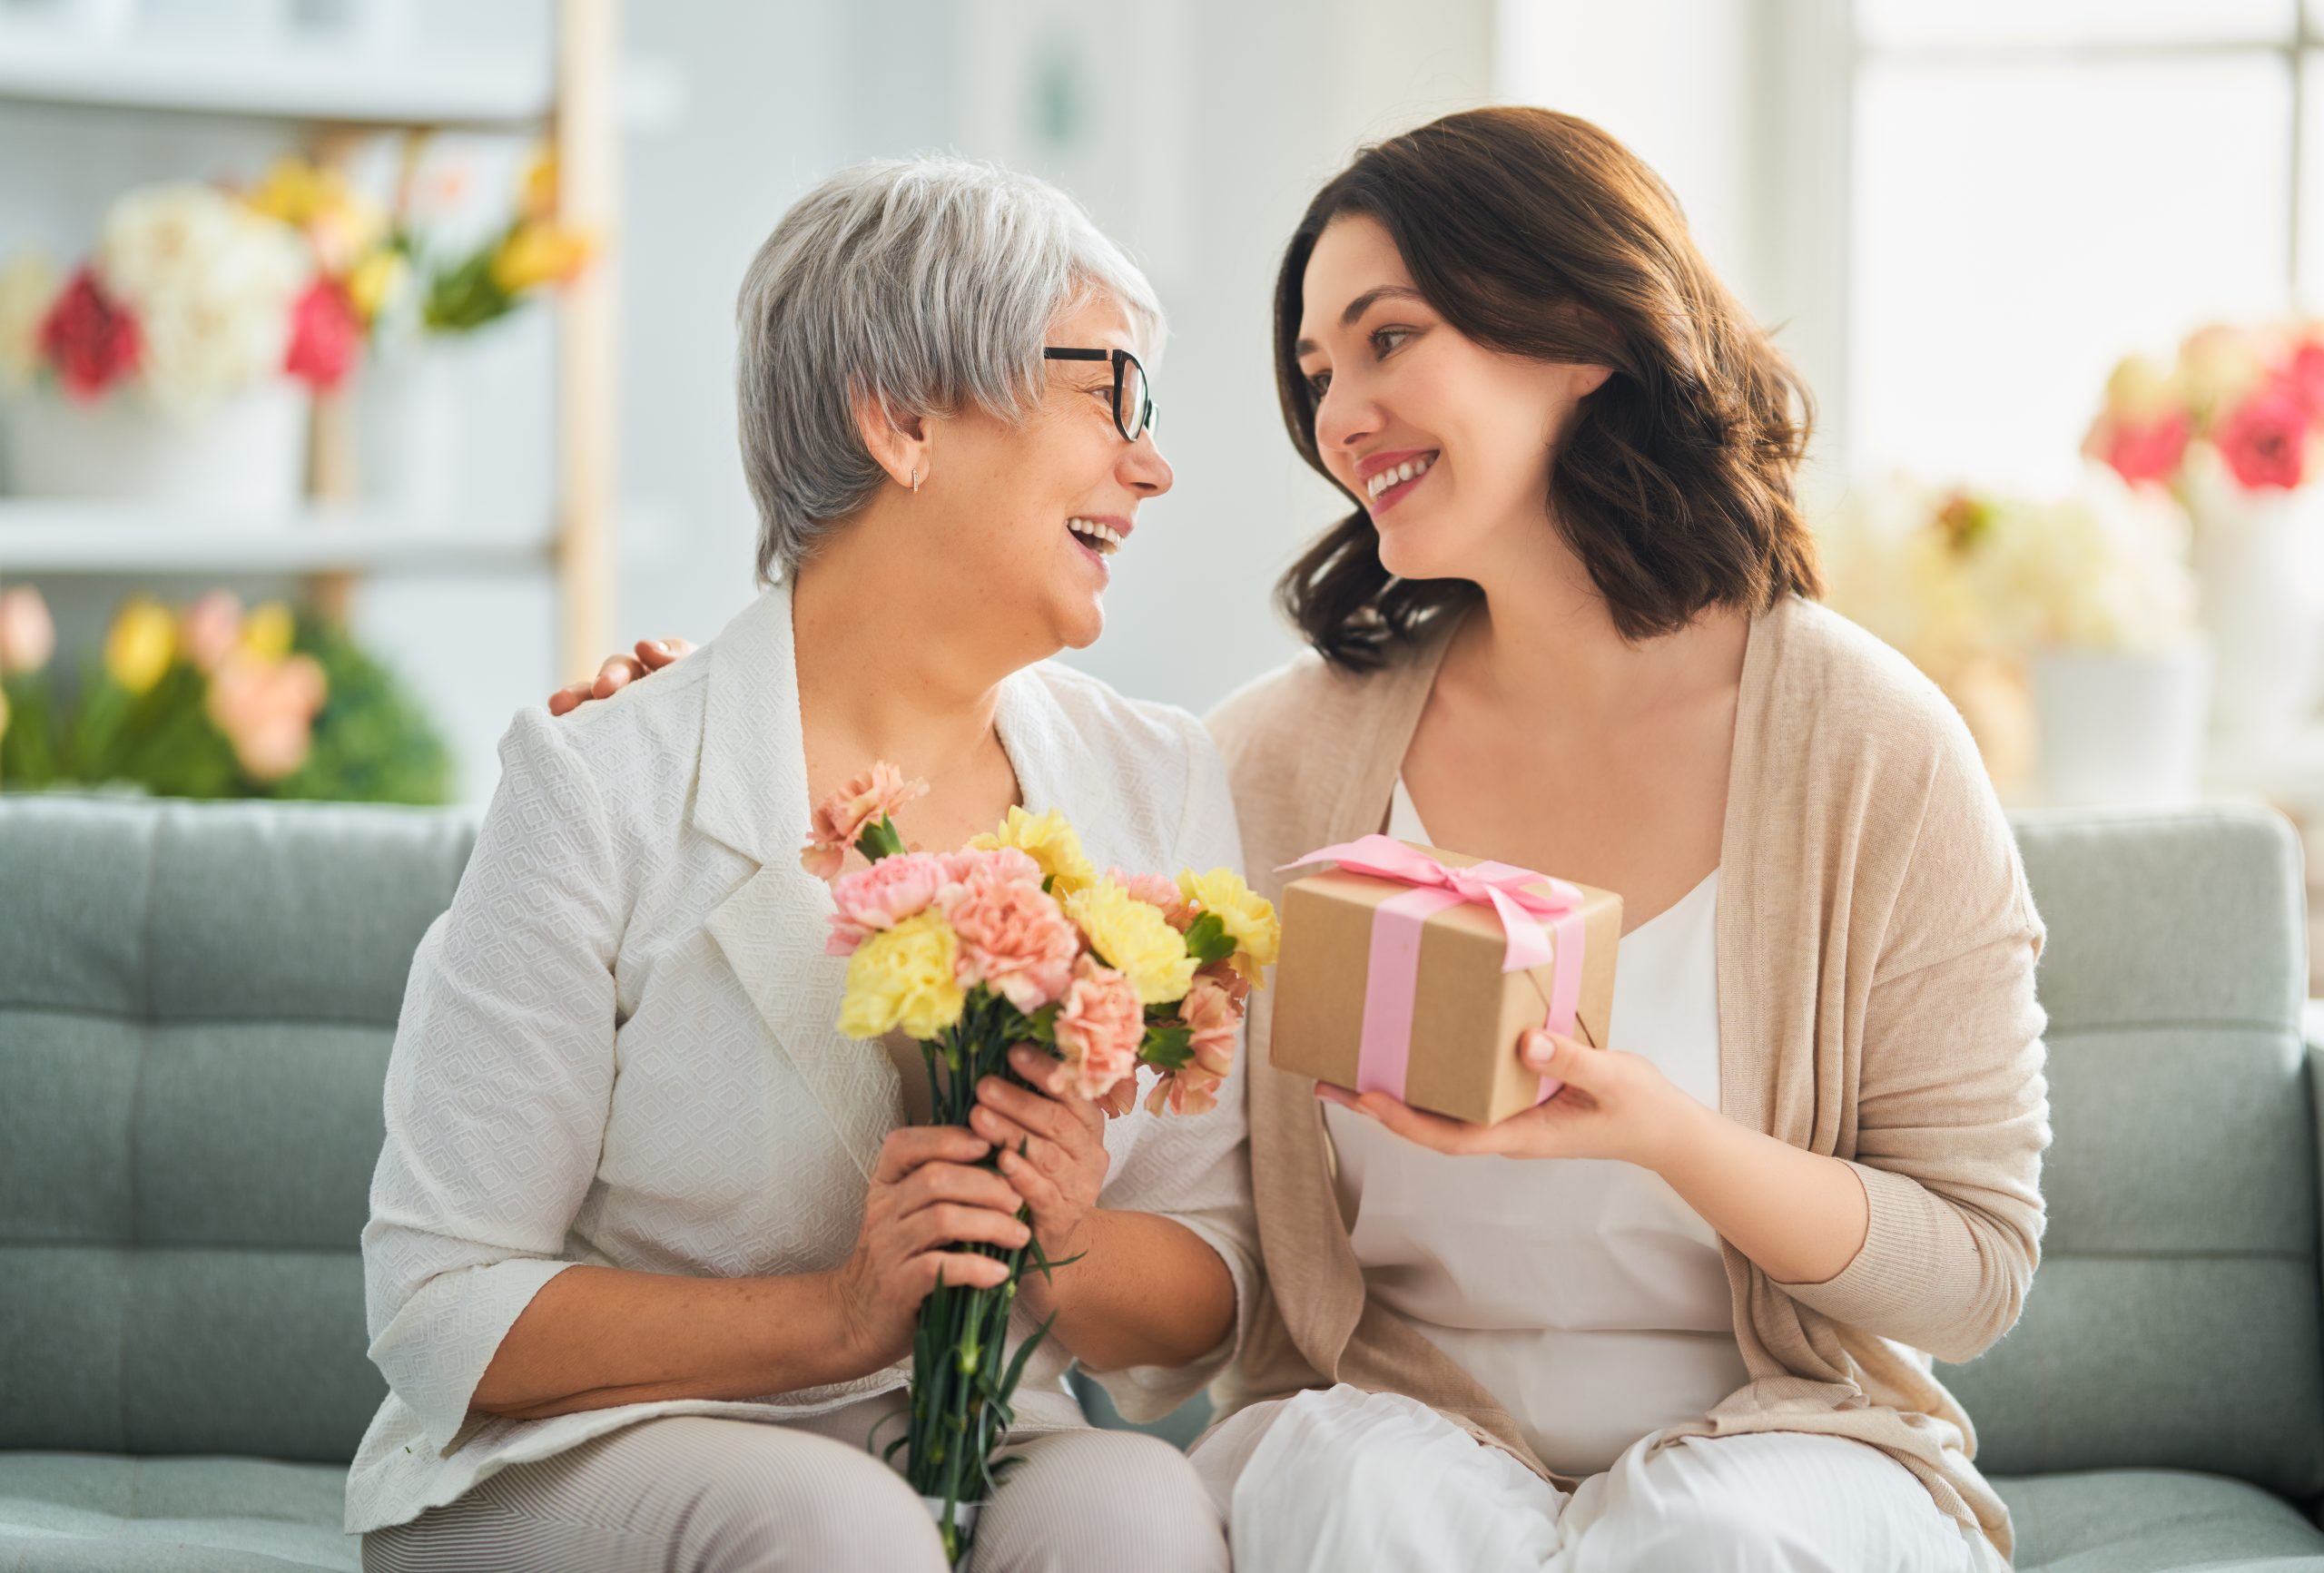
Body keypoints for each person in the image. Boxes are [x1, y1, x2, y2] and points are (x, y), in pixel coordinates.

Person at [567, 108, 2049, 1572]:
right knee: (1363, 1503)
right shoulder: (1275, 763)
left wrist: (1662, 1128)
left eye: (1388, 339)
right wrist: (730, 713)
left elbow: (1976, 1268)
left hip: (1779, 1444)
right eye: (1317, 370)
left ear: (1587, 329)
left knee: (1717, 1545)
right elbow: (997, 788)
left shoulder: (1869, 749)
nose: (1339, 414)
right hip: (1396, 1433)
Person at [352, 156, 1248, 1573]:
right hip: (592, 1451)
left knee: (1140, 1513)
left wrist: (1065, 1230)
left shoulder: (1160, 779)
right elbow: (438, 1298)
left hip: (969, 1438)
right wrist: (838, 1313)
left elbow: (1211, 1281)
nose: (1152, 461)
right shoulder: (602, 784)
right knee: (836, 1529)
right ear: (903, 417)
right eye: (1109, 391)